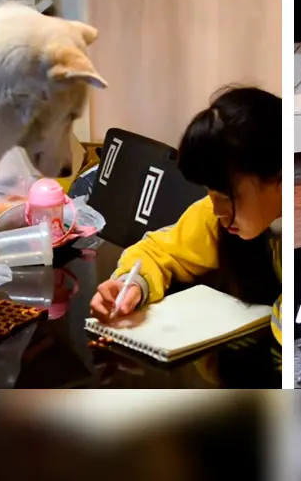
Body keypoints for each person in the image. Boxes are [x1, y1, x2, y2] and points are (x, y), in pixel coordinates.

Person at [89, 85, 283, 354]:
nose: (218, 211)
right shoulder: (212, 218)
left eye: (228, 195)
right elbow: (158, 251)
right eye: (209, 192)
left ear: (279, 178)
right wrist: (132, 284)